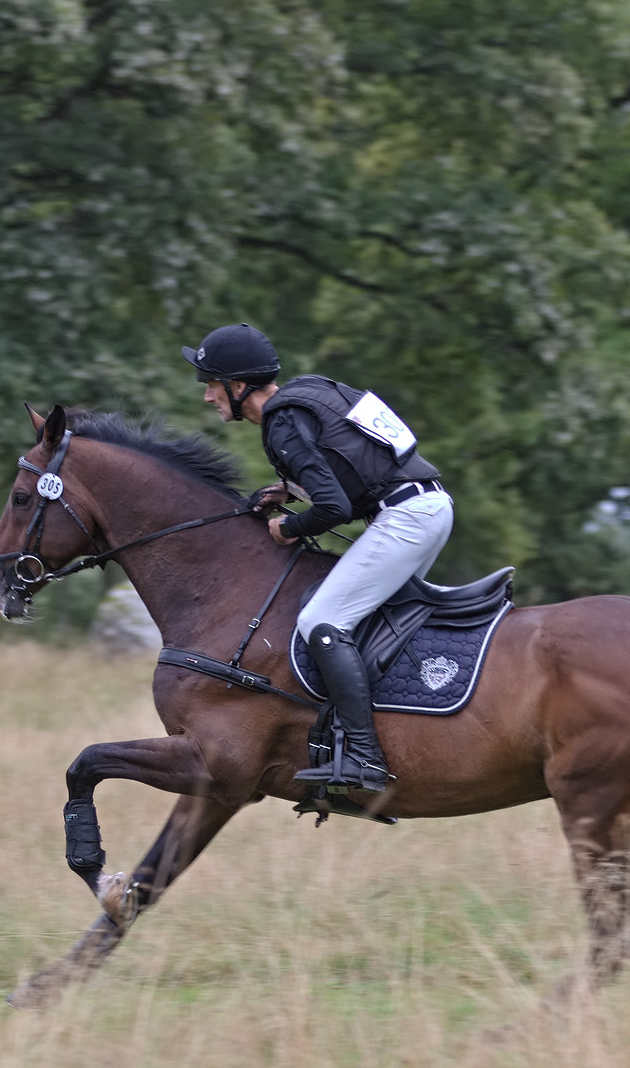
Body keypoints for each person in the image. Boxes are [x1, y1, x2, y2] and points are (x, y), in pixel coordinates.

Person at [183, 323, 451, 793]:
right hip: (428, 505)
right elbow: (355, 465)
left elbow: (334, 509)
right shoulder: (309, 393)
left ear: (238, 386)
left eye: (211, 384)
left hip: (405, 518)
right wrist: (285, 489)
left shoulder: (282, 422)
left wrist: (287, 526)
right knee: (366, 623)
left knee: (322, 621)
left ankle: (365, 758)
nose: (208, 397)